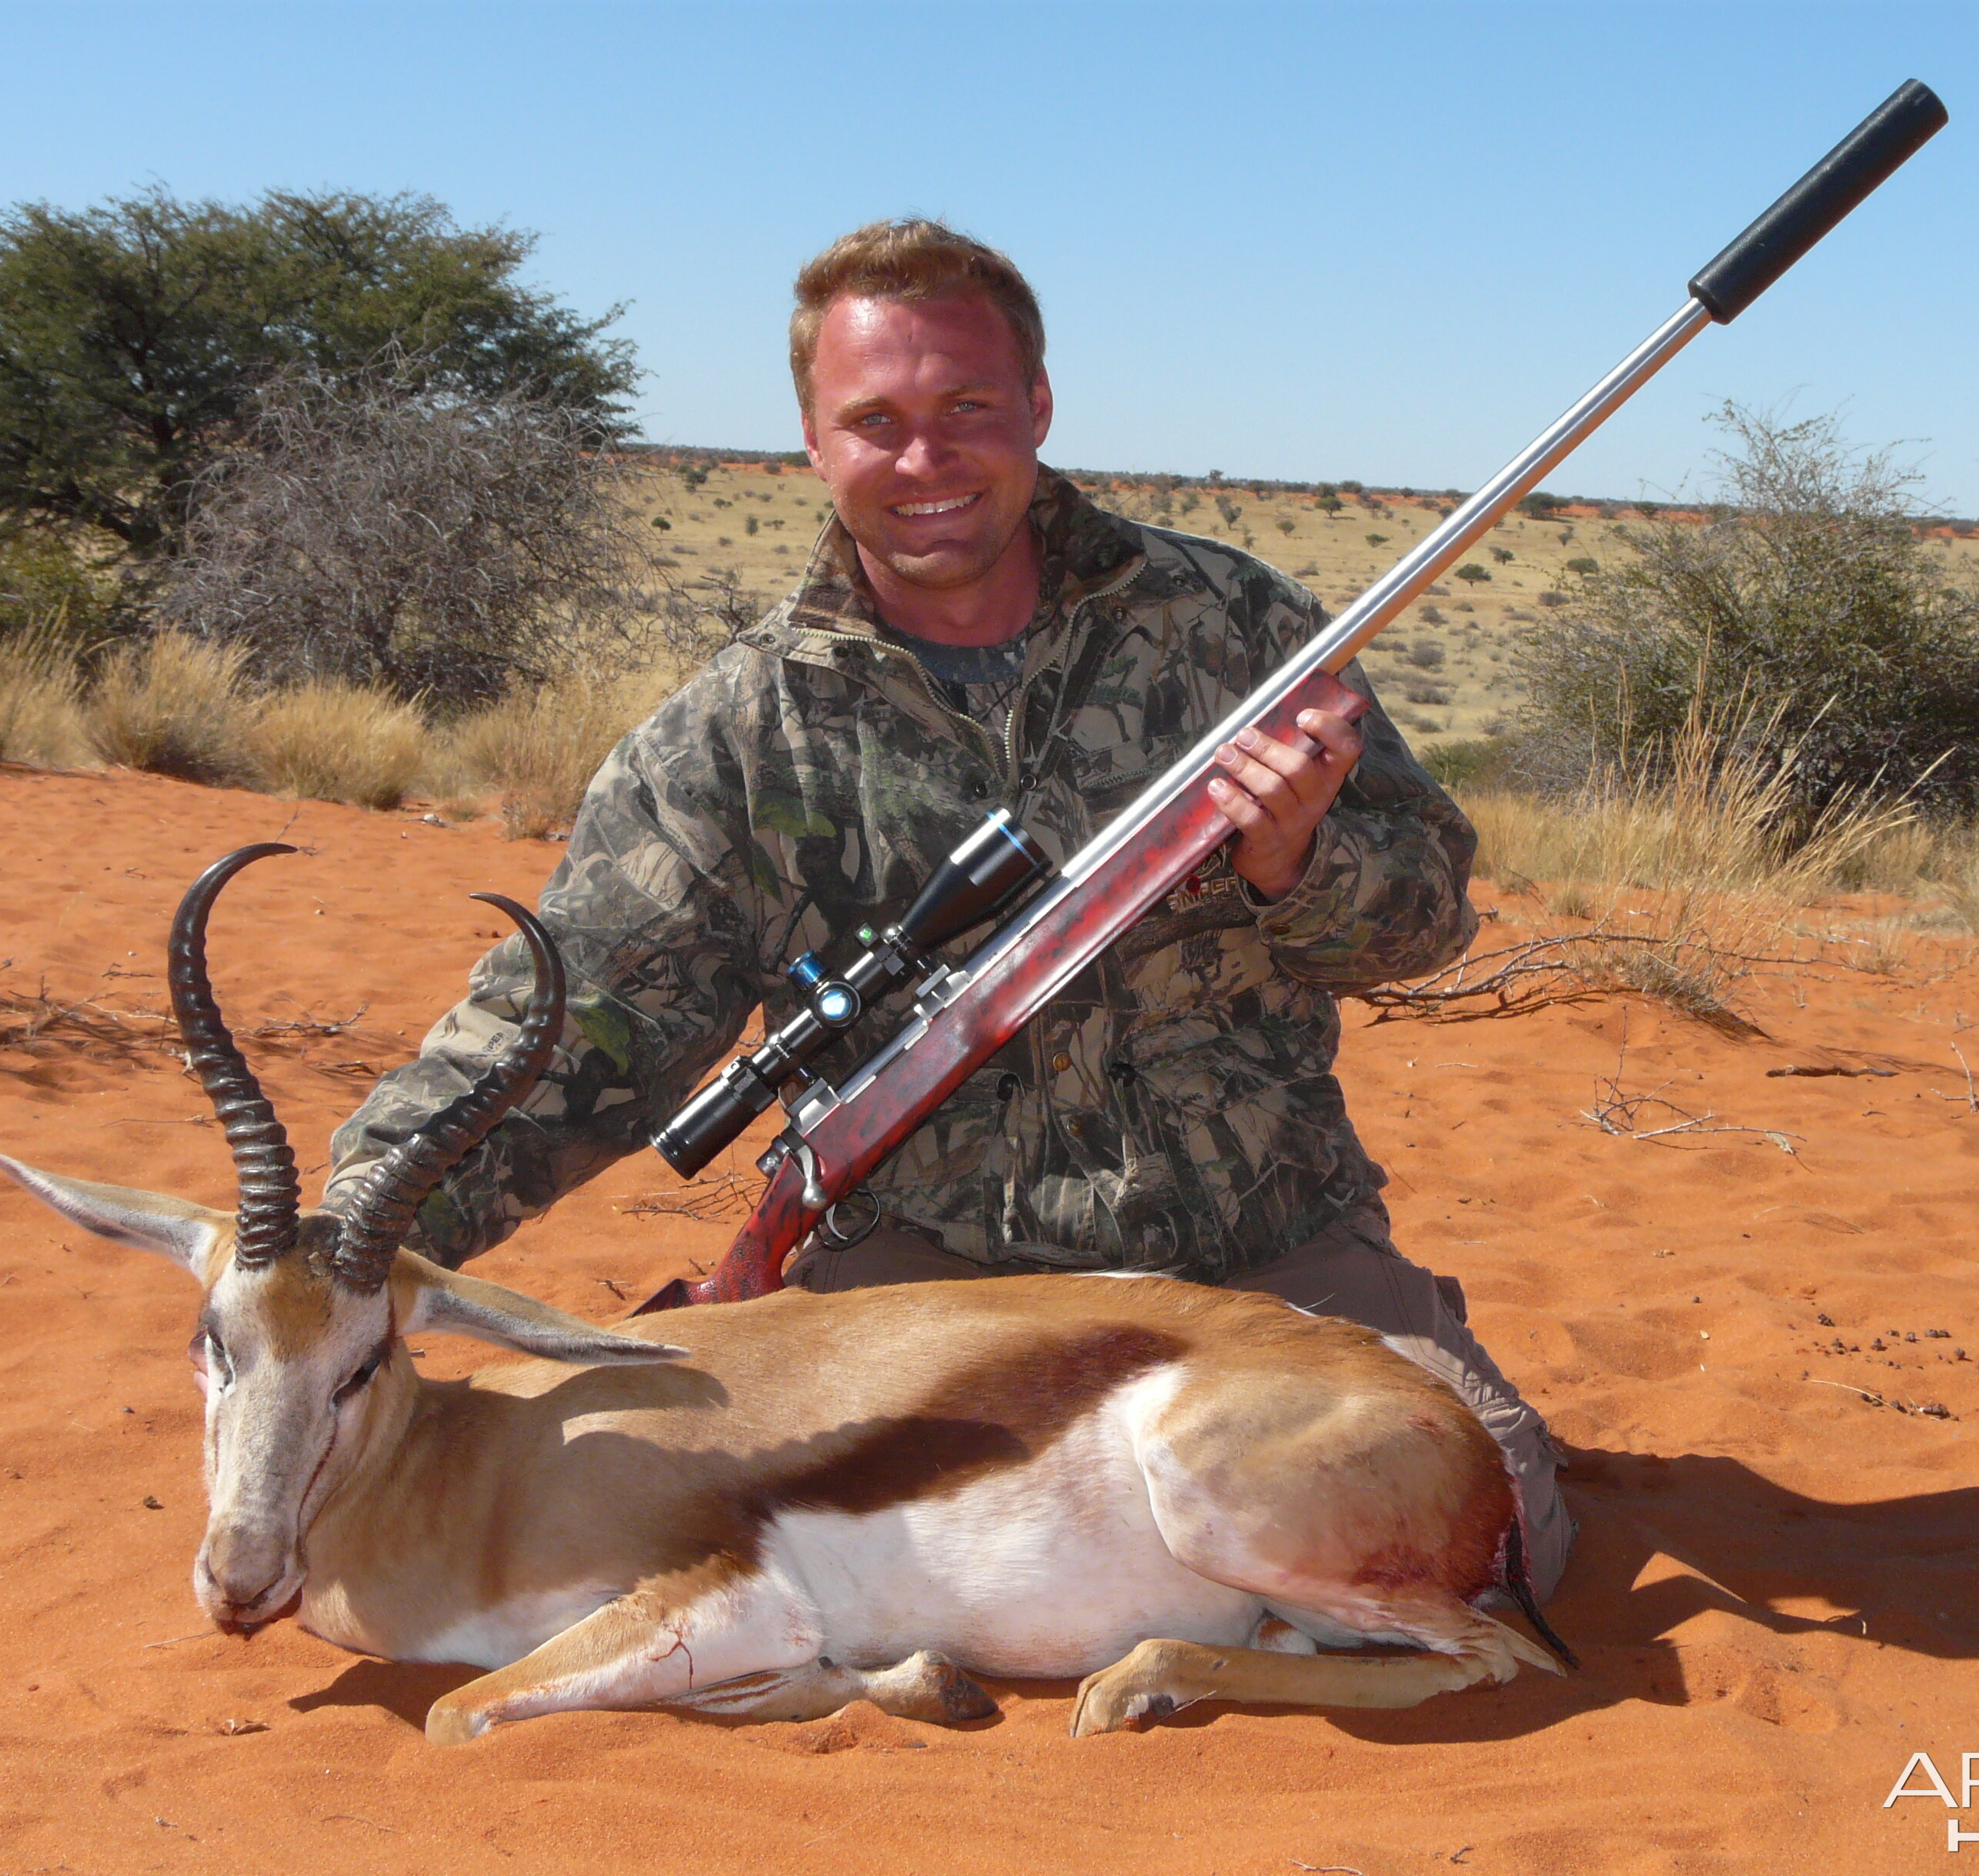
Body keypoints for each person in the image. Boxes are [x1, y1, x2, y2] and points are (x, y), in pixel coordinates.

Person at [327, 219, 1574, 1602]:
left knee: (1483, 1553)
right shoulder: (737, 730)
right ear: (812, 439)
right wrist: (337, 1235)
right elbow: (569, 1039)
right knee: (700, 1579)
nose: (923, 462)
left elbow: (1427, 916)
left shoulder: (1226, 623)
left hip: (1268, 1257)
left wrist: (1299, 866)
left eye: (967, 409)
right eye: (875, 421)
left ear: (1035, 406)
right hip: (921, 1294)